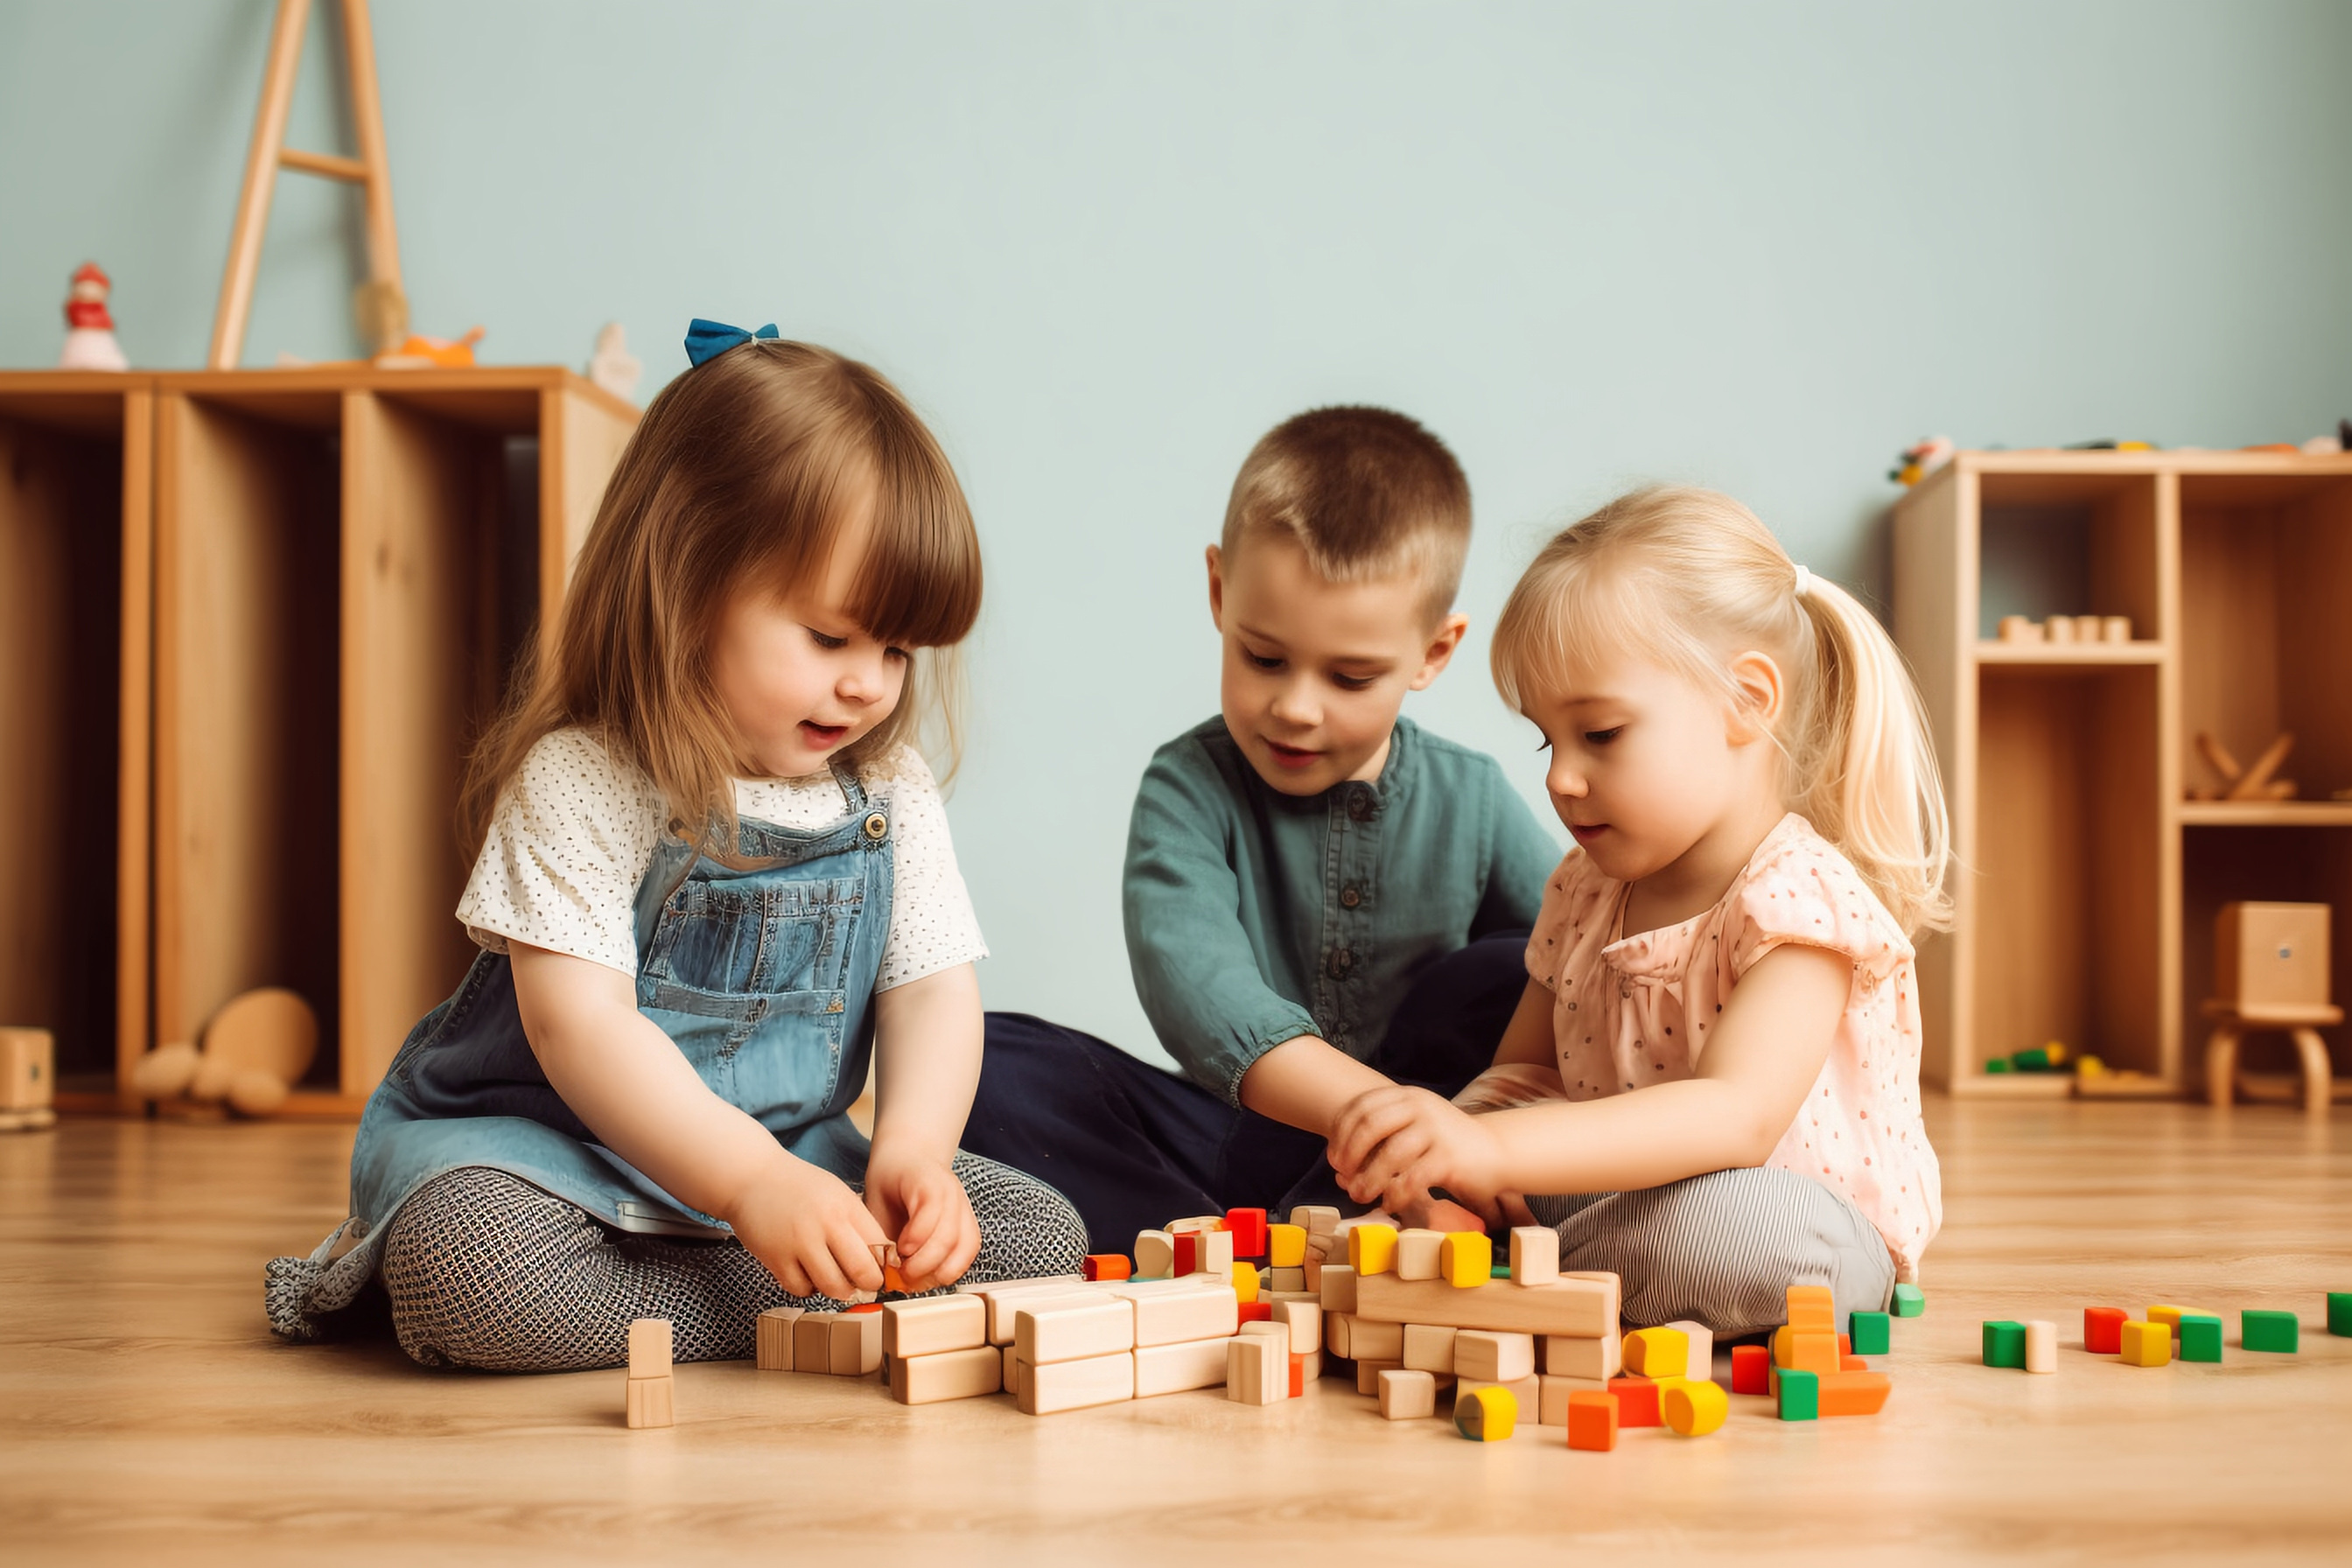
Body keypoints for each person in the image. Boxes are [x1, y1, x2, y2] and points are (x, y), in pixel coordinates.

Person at [267, 325, 1084, 1370]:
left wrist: (915, 1153)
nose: (870, 683)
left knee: (1040, 1235)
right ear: (685, 586)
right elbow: (579, 1033)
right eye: (831, 638)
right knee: (468, 1272)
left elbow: (930, 990)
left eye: (896, 649)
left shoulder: (888, 789)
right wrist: (750, 1188)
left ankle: (756, 1290)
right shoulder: (585, 778)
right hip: (550, 1163)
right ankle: (782, 1307)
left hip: (786, 1163)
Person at [1327, 485, 1951, 1334]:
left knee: (1766, 1236)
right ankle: (1510, 1258)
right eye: (1548, 739)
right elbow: (1527, 1078)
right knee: (1504, 1160)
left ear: (1747, 701)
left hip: (1794, 1218)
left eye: (1603, 735)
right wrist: (1447, 1155)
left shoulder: (1800, 900)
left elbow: (1737, 1115)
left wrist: (1496, 1156)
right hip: (1620, 1194)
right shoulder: (1583, 888)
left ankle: (1522, 1272)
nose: (1559, 778)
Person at [964, 407, 1562, 1253]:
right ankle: (1258, 1240)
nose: (1295, 707)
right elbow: (1200, 989)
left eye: (1351, 677)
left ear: (1433, 652)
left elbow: (1587, 949)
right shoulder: (1188, 786)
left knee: (1512, 969)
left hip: (1436, 1138)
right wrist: (1365, 1115)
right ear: (1219, 593)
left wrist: (1442, 1132)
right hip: (1230, 1137)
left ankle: (1333, 1223)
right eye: (1265, 658)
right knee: (980, 1057)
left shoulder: (1472, 795)